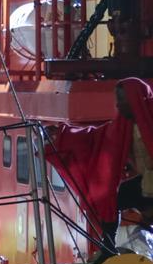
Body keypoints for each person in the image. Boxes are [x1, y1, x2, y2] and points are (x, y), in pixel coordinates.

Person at [45, 77, 153, 250]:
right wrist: (62, 135)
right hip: (147, 183)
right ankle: (108, 248)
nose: (117, 105)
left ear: (134, 99)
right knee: (111, 199)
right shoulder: (123, 125)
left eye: (122, 100)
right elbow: (95, 138)